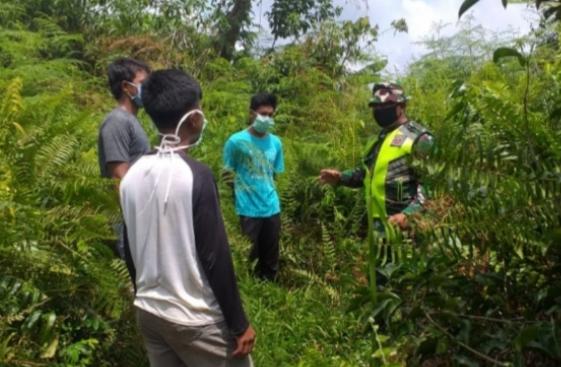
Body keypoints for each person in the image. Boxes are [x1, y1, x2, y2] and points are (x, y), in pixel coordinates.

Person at [120, 69, 255, 367]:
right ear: (194, 117)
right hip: (196, 320)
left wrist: (143, 295)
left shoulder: (131, 175)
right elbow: (215, 255)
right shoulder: (197, 175)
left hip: (150, 313)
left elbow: (129, 247)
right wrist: (238, 323)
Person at [320, 82, 434, 235]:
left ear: (401, 106)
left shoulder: (419, 137)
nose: (379, 111)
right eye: (376, 107)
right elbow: (366, 174)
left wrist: (409, 214)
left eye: (385, 106)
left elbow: (431, 184)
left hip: (405, 225)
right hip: (378, 223)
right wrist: (341, 177)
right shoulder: (380, 137)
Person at [223, 93, 284, 281]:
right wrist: (241, 194)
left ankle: (270, 295)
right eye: (263, 114)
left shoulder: (276, 142)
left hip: (272, 208)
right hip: (248, 210)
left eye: (271, 115)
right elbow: (227, 174)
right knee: (249, 258)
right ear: (252, 114)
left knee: (271, 259)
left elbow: (274, 174)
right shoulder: (235, 141)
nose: (267, 118)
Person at [98, 58, 151, 259]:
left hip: (137, 213)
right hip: (126, 217)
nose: (148, 89)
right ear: (127, 87)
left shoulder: (131, 121)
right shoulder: (116, 122)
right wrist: (134, 219)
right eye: (143, 83)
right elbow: (119, 177)